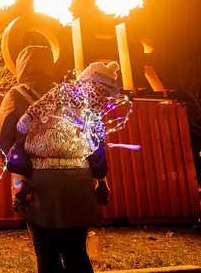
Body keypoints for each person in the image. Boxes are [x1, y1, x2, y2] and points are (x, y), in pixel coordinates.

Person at [0, 46, 101, 273]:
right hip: (79, 183)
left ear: (22, 66)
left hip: (42, 186)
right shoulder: (68, 94)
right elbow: (94, 137)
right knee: (78, 256)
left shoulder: (16, 95)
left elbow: (3, 141)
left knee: (49, 257)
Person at [16, 61, 122, 206]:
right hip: (80, 141)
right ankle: (102, 183)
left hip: (53, 137)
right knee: (98, 153)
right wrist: (102, 141)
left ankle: (19, 186)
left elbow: (47, 102)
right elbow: (97, 122)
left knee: (18, 149)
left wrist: (28, 116)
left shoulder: (67, 89)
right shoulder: (100, 98)